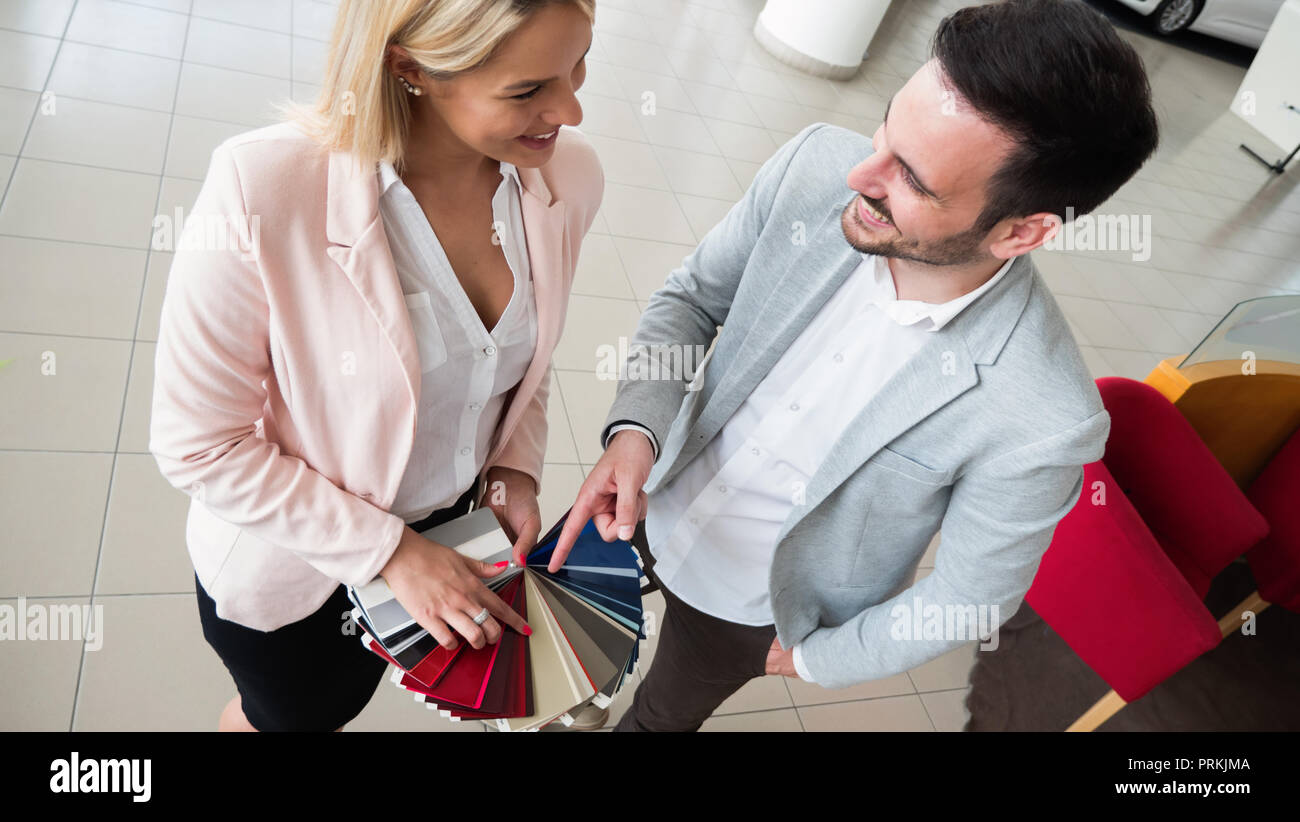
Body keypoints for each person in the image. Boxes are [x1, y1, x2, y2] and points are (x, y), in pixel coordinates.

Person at [551, 0, 1159, 731]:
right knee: (553, 645)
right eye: (884, 131)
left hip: (754, 608)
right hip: (647, 488)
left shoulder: (1043, 417)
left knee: (657, 718)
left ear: (1020, 231)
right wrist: (633, 436)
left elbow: (969, 595)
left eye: (913, 179)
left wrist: (817, 660)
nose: (859, 174)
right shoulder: (814, 164)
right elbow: (689, 303)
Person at [149, 0, 603, 732]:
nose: (570, 110)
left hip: (453, 538)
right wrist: (391, 552)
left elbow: (521, 349)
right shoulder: (263, 186)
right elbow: (199, 444)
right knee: (291, 718)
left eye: (579, 66)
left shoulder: (564, 177)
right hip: (302, 573)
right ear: (408, 66)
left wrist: (514, 467)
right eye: (527, 90)